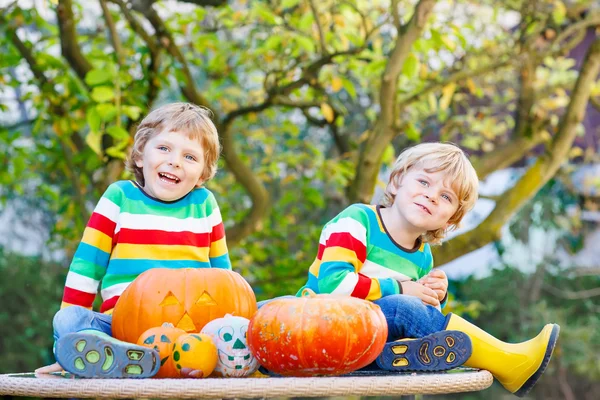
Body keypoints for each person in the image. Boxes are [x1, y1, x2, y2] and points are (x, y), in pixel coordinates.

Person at [297, 142, 559, 397]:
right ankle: (506, 361)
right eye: (423, 182)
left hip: (367, 347)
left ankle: (403, 359)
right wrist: (403, 289)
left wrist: (435, 297)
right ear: (397, 182)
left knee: (408, 313)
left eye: (446, 197)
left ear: (450, 219)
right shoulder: (358, 221)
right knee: (401, 307)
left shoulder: (422, 256)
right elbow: (333, 286)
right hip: (319, 329)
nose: (432, 195)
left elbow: (425, 325)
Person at [35, 103, 231, 378]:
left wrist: (236, 322)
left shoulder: (204, 204)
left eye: (190, 156)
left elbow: (225, 278)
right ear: (140, 155)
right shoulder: (120, 197)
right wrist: (66, 342)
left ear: (202, 173)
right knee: (69, 318)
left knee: (268, 309)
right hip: (121, 327)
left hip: (192, 333)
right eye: (164, 148)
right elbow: (86, 267)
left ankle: (160, 361)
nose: (174, 161)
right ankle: (107, 355)